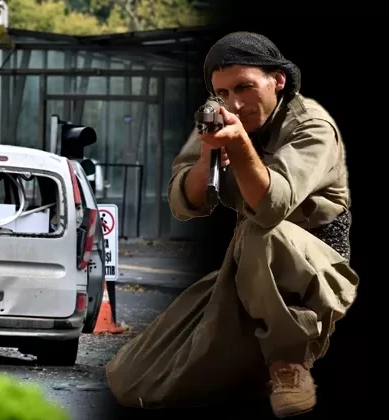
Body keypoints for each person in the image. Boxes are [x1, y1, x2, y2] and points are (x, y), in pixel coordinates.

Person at [105, 32, 359, 418]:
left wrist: (239, 146)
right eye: (222, 92)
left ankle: (290, 363)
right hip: (247, 270)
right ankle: (253, 368)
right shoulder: (219, 114)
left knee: (263, 231)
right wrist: (208, 157)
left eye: (245, 87)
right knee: (132, 380)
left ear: (278, 80)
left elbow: (273, 207)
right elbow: (182, 201)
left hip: (317, 274)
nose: (234, 103)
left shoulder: (311, 126)